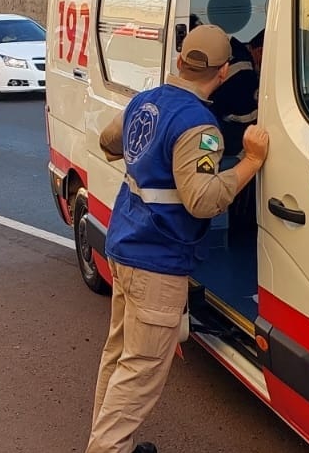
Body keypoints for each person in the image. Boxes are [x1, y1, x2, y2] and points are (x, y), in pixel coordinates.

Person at [85, 24, 270, 453]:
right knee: (140, 373)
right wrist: (252, 161)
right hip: (157, 260)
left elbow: (109, 142)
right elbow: (203, 200)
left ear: (180, 60)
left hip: (124, 246)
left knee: (120, 358)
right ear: (223, 73)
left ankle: (112, 444)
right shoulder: (200, 126)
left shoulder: (146, 100)